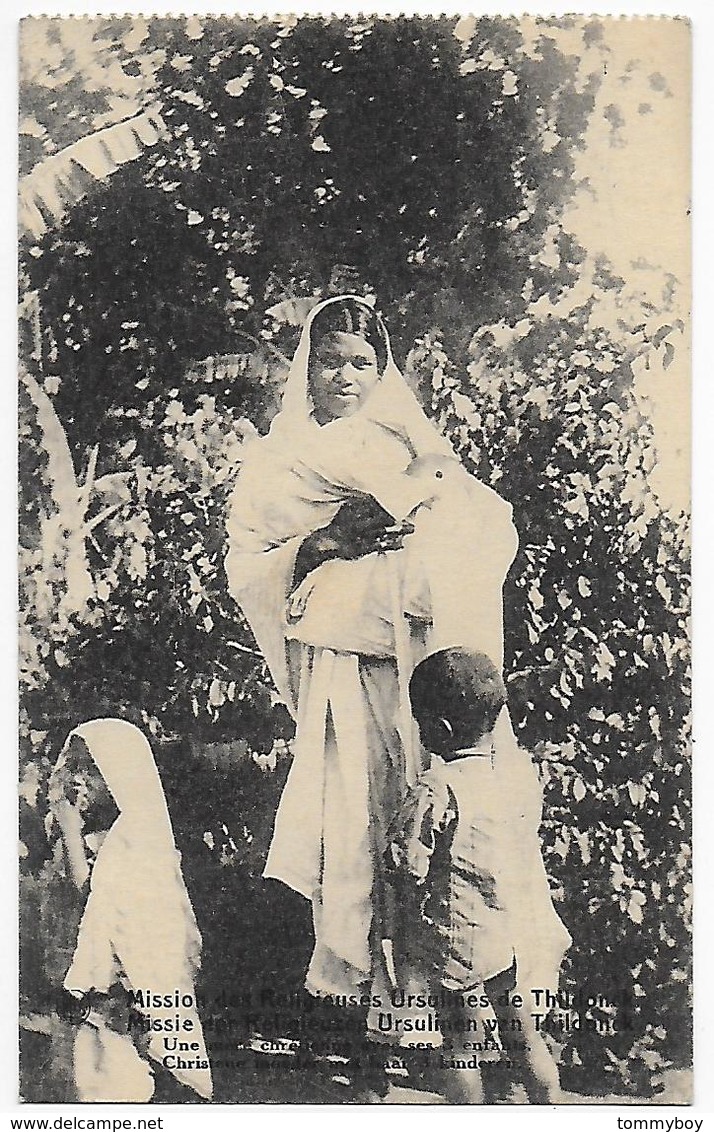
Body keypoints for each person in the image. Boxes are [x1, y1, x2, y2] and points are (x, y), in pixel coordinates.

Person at [224, 295, 521, 1089]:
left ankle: (436, 1034)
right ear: (307, 371)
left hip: (416, 670)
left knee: (431, 837)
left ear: (382, 371)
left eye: (362, 362)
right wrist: (324, 539)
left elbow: (482, 529)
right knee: (349, 835)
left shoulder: (414, 449)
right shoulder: (281, 460)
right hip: (340, 674)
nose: (345, 376)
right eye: (330, 361)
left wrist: (404, 510)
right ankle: (360, 1041)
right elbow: (250, 557)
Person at [387, 648, 572, 1104]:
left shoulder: (436, 789)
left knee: (459, 1049)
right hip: (510, 934)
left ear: (439, 729)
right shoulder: (516, 777)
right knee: (523, 1036)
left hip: (461, 940)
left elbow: (405, 863)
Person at [48, 719, 213, 1103]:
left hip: (127, 997)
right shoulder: (105, 839)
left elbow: (96, 902)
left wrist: (71, 833)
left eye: (91, 770)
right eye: (74, 768)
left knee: (120, 1085)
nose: (78, 781)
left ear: (121, 775)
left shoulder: (137, 842)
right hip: (104, 1003)